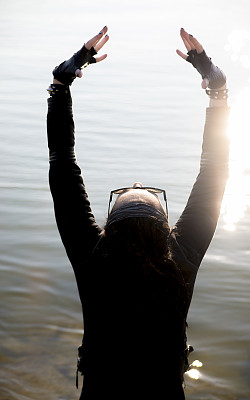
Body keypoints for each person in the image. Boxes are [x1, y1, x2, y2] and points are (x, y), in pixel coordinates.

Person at [47, 26, 229, 399]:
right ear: (164, 226)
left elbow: (62, 164)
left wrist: (60, 86)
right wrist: (217, 90)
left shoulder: (96, 259)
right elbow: (215, 170)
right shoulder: (178, 259)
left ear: (112, 225)